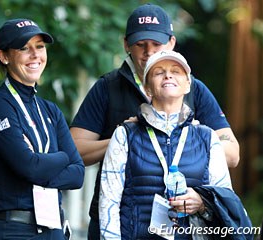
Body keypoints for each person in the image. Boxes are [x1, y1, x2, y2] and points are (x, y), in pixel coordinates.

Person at [69, 3, 240, 239]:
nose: (149, 52)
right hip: (118, 220)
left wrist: (189, 137)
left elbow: (232, 154)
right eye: (140, 44)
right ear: (126, 45)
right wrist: (126, 142)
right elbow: (74, 150)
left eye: (157, 44)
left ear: (171, 43)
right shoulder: (108, 86)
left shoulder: (193, 87)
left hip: (185, 223)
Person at [99, 50, 233, 239]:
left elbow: (226, 200)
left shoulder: (207, 137)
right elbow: (108, 202)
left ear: (188, 85)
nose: (168, 75)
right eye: (159, 72)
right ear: (147, 89)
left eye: (176, 71)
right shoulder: (124, 135)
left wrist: (203, 204)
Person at [0, 18, 84, 240]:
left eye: (40, 47)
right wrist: (62, 157)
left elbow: (78, 174)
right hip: (12, 231)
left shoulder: (50, 110)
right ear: (3, 56)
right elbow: (29, 167)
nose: (35, 55)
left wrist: (37, 164)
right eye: (24, 48)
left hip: (54, 230)